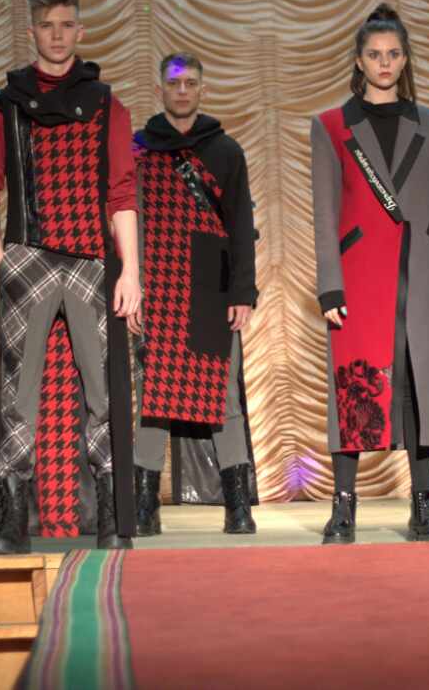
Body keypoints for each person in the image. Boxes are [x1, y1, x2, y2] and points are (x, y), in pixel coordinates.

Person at [0, 0, 141, 553]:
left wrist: (130, 271)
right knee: (18, 394)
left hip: (91, 263)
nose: (58, 35)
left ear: (80, 30)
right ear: (32, 31)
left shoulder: (107, 103)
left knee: (103, 394)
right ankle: (9, 525)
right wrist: (1, 259)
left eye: (67, 25)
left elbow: (122, 191)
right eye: (48, 26)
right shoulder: (3, 103)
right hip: (29, 260)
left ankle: (111, 522)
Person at [310, 4, 429, 544]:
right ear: (359, 60)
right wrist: (329, 284)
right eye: (375, 54)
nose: (384, 62)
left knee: (422, 386)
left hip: (421, 271)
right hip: (358, 278)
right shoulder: (331, 126)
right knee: (354, 387)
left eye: (393, 54)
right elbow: (325, 211)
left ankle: (423, 506)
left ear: (405, 59)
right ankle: (343, 507)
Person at [128, 52, 260, 537]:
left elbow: (241, 226)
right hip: (157, 285)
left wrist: (243, 292)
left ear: (202, 89)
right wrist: (131, 287)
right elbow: (125, 220)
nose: (182, 91)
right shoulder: (137, 149)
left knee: (223, 397)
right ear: (160, 88)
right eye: (174, 83)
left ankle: (237, 507)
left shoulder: (225, 151)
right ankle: (144, 507)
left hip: (211, 286)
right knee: (155, 397)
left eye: (190, 84)